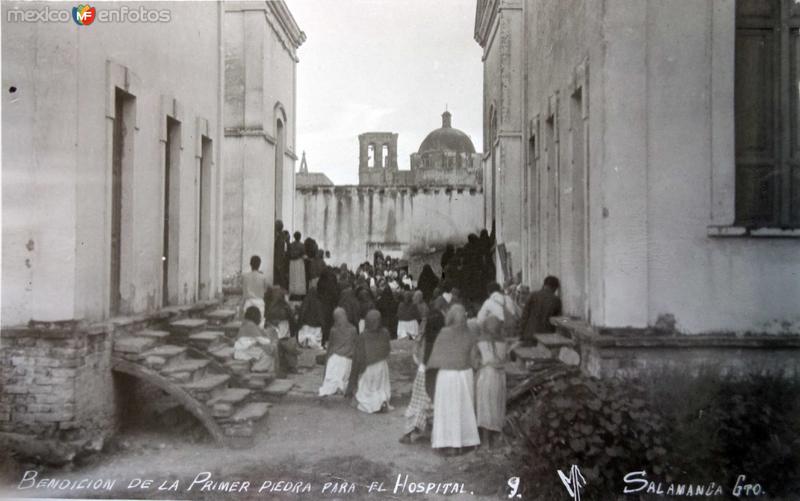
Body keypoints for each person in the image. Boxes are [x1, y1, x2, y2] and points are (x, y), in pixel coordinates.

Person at [426, 304, 480, 454]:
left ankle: (448, 442)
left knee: (447, 409)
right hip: (464, 374)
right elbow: (474, 359)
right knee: (464, 408)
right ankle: (465, 441)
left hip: (447, 376)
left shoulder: (444, 332)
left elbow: (436, 357)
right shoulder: (470, 334)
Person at [472, 316, 507, 447]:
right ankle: (496, 439)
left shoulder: (480, 341)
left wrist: (480, 362)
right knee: (496, 406)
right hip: (499, 377)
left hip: (486, 375)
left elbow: (474, 363)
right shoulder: (503, 342)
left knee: (484, 406)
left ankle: (485, 442)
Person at [349, 310, 392, 413]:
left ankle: (372, 404)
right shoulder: (385, 333)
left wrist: (356, 375)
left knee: (366, 390)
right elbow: (387, 350)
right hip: (382, 366)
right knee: (380, 387)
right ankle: (382, 400)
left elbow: (359, 357)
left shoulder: (363, 336)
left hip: (369, 367)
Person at [318, 308, 357, 397]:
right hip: (348, 360)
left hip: (333, 360)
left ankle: (334, 387)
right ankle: (342, 386)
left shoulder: (333, 330)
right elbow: (356, 347)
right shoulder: (353, 330)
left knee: (331, 379)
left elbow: (330, 348)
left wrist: (326, 365)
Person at [234, 306, 278, 375]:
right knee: (268, 354)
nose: (260, 318)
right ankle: (256, 369)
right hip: (244, 350)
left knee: (269, 350)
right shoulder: (250, 325)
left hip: (247, 349)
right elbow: (263, 340)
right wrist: (272, 343)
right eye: (259, 316)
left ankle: (259, 368)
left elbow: (261, 337)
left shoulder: (248, 323)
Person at [520, 276, 562, 343]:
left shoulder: (533, 295)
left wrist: (521, 334)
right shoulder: (556, 300)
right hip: (546, 338)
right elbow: (557, 322)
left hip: (529, 335)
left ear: (544, 285)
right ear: (554, 288)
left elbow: (524, 317)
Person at [241, 255, 269, 325]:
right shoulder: (263, 277)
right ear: (259, 264)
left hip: (248, 301)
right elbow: (265, 290)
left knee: (247, 324)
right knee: (260, 324)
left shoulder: (245, 276)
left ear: (250, 264)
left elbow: (243, 290)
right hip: (259, 301)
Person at [288, 232, 307, 297]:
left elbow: (289, 254)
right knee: (299, 277)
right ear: (300, 237)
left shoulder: (291, 245)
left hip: (292, 262)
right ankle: (300, 292)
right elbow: (304, 254)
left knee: (293, 277)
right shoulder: (302, 245)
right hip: (299, 262)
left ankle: (292, 291)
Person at [273, 220, 289, 290]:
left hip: (279, 258)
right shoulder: (283, 235)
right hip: (280, 257)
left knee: (280, 276)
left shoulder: (280, 235)